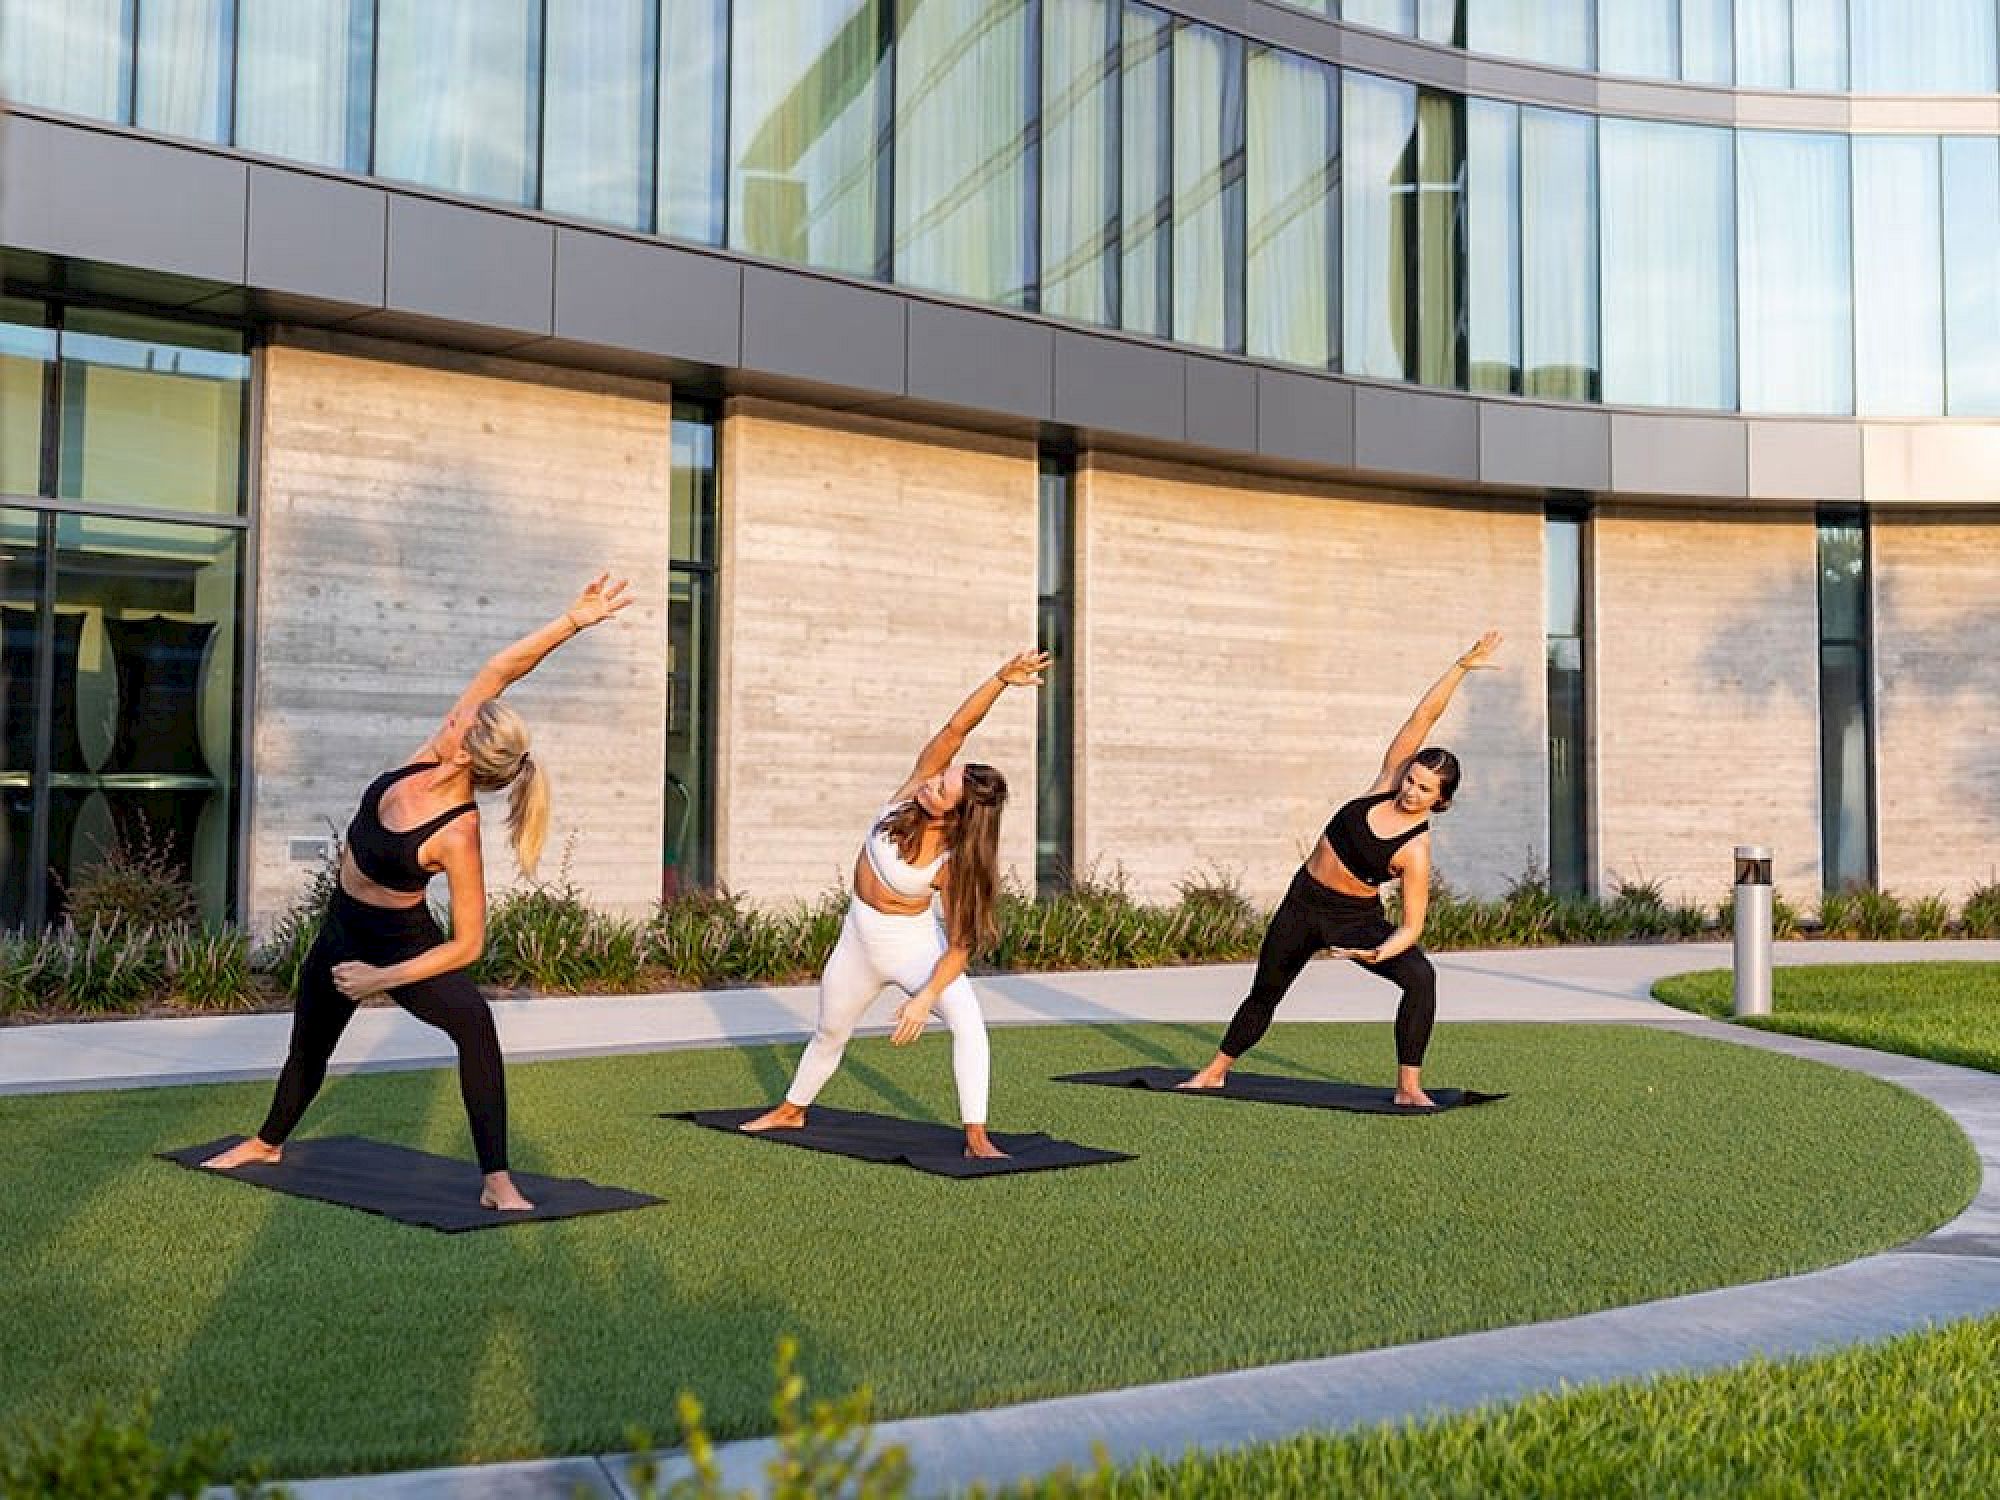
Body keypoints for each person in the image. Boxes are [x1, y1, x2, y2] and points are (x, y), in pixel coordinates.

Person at [204, 575, 633, 1209]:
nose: (454, 712)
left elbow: (469, 944)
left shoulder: (458, 833)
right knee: (309, 1049)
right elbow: (499, 668)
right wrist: (574, 621)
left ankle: (497, 1182)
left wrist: (384, 980)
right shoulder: (429, 756)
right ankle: (267, 1141)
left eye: (461, 719)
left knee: (475, 1025)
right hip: (340, 928)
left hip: (399, 945)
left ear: (468, 755)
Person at [743, 651, 1048, 1158]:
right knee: (831, 1031)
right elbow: (956, 729)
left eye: (943, 788)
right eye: (939, 777)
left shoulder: (953, 861)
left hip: (911, 945)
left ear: (959, 813)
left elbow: (960, 946)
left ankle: (976, 1135)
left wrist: (925, 996)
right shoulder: (911, 792)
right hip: (858, 939)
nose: (933, 781)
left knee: (968, 1020)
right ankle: (792, 1110)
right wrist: (998, 680)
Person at [1181, 632, 1503, 1108]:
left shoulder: (1414, 850)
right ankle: (1215, 1071)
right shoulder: (1386, 782)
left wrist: (1381, 951)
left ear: (1441, 801)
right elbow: (1423, 716)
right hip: (1303, 900)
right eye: (1412, 779)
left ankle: (1408, 1086)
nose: (1410, 791)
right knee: (1266, 991)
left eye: (1424, 790)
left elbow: (1412, 927)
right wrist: (1459, 667)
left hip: (1355, 918)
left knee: (1420, 977)